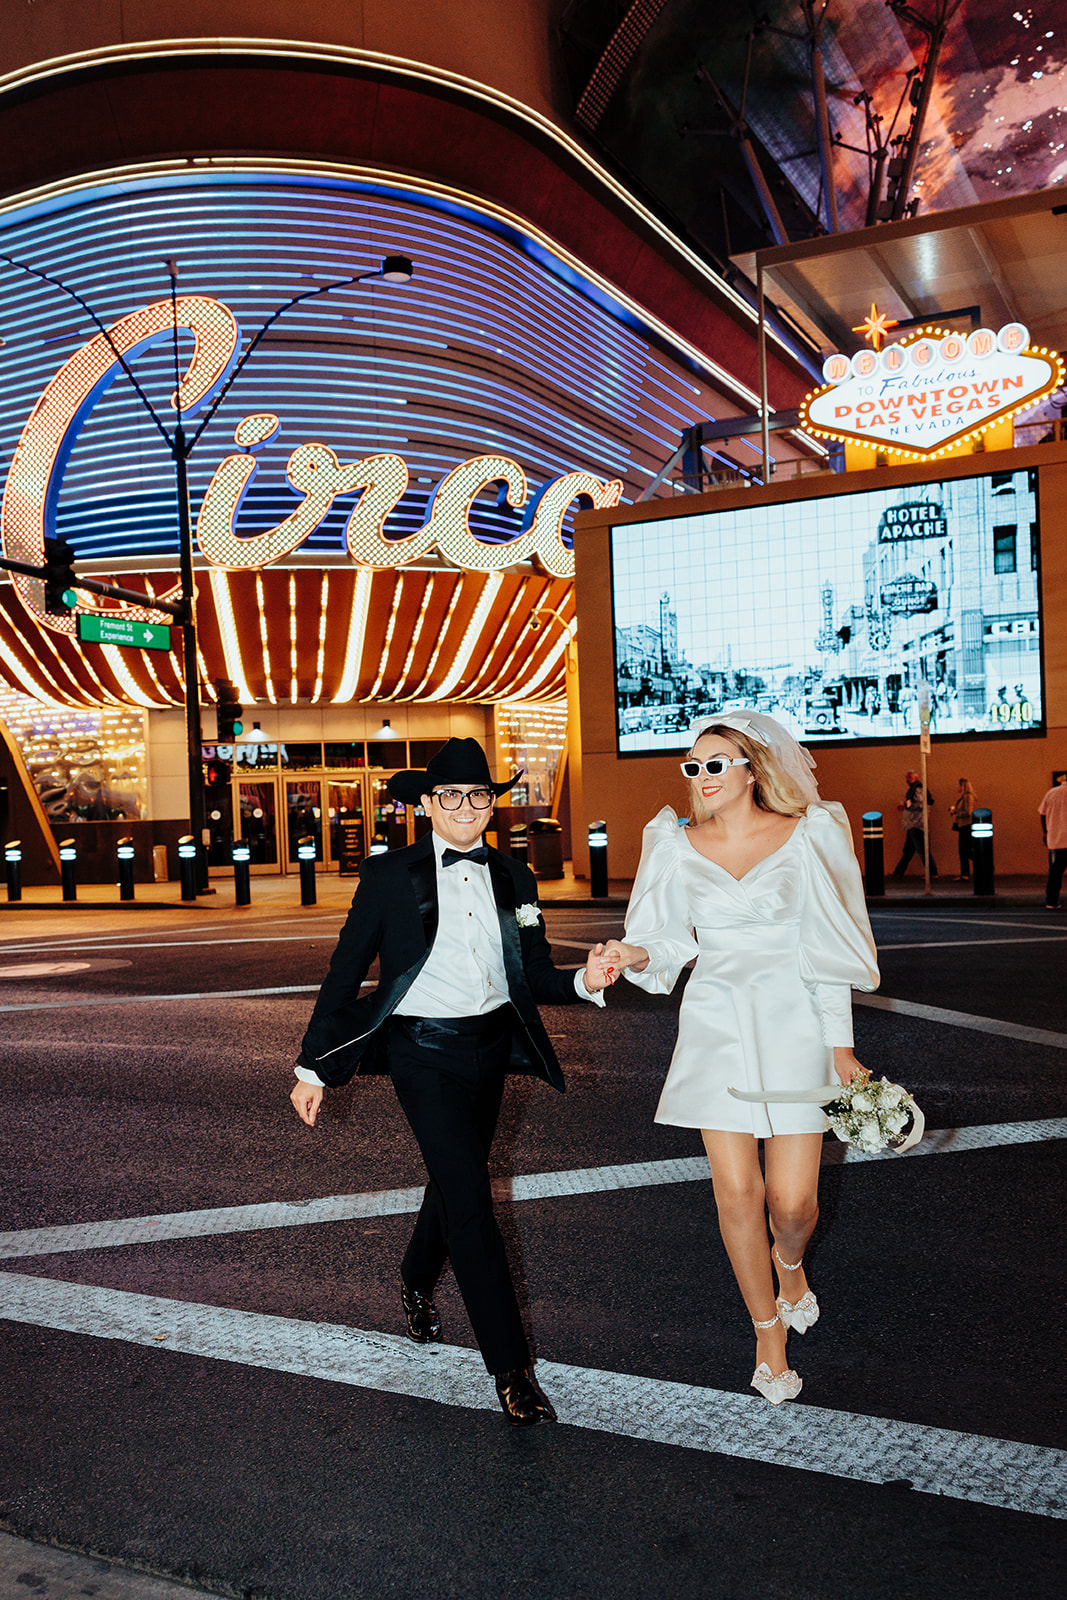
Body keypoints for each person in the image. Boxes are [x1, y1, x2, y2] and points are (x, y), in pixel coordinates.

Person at [290, 737, 614, 1426]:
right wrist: (312, 1064)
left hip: (491, 1049)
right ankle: (511, 1370)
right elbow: (344, 974)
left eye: (479, 795)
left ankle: (413, 1278)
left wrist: (585, 981)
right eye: (450, 796)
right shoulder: (386, 875)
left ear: (493, 805)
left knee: (453, 1179)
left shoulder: (514, 876)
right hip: (421, 1054)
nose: (466, 807)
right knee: (471, 1200)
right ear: (425, 804)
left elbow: (532, 973)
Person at [602, 713, 879, 1405]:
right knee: (736, 1193)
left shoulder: (811, 833)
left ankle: (790, 1266)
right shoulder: (672, 843)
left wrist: (839, 1049)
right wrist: (629, 953)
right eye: (691, 767)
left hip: (793, 1024)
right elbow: (664, 941)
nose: (701, 778)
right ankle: (765, 1333)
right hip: (715, 1023)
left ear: (752, 769)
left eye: (714, 763)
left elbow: (828, 949)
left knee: (792, 1203)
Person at [892, 769, 937, 879]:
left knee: (921, 849)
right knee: (908, 850)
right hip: (912, 824)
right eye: (907, 777)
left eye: (910, 778)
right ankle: (898, 872)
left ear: (915, 778)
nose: (907, 780)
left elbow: (921, 804)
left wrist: (907, 806)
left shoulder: (918, 789)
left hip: (916, 823)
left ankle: (932, 872)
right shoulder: (914, 789)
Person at [1039, 771, 1067, 911]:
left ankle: (1052, 901)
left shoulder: (1051, 793)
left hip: (1056, 840)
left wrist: (1046, 832)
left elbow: (1042, 814)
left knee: (1055, 873)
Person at [950, 778, 977, 881]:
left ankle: (967, 872)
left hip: (966, 826)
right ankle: (965, 874)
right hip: (964, 826)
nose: (957, 787)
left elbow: (968, 812)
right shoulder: (964, 797)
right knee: (964, 850)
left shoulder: (968, 797)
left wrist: (956, 812)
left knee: (965, 850)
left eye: (958, 785)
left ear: (962, 786)